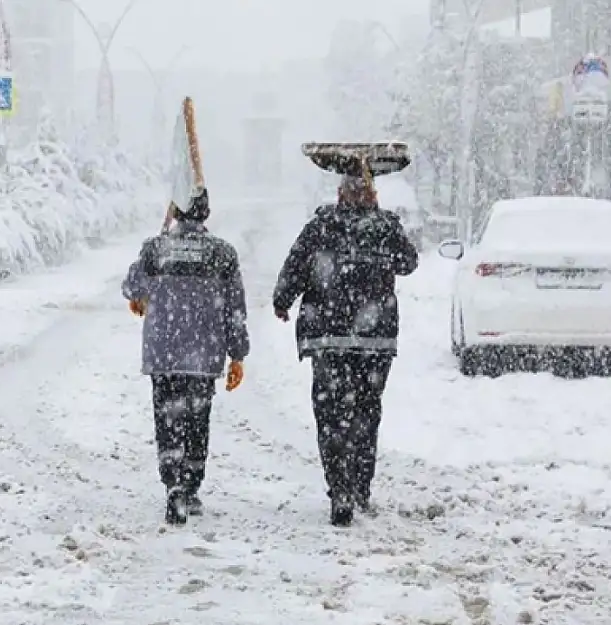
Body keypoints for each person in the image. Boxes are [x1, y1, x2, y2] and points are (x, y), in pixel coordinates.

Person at [271, 171, 418, 527]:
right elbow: (408, 262)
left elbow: (295, 265)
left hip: (328, 337)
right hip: (374, 340)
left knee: (331, 415)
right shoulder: (385, 227)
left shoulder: (320, 227)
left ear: (340, 194)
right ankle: (360, 485)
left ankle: (340, 488)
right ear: (372, 194)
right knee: (367, 413)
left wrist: (283, 299)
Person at [122, 187, 250, 526]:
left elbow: (132, 286)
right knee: (197, 418)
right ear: (206, 214)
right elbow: (235, 309)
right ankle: (191, 483)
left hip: (164, 352)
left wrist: (160, 242)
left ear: (175, 212)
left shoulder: (156, 248)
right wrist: (237, 354)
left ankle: (173, 483)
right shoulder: (222, 253)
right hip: (204, 353)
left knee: (167, 418)